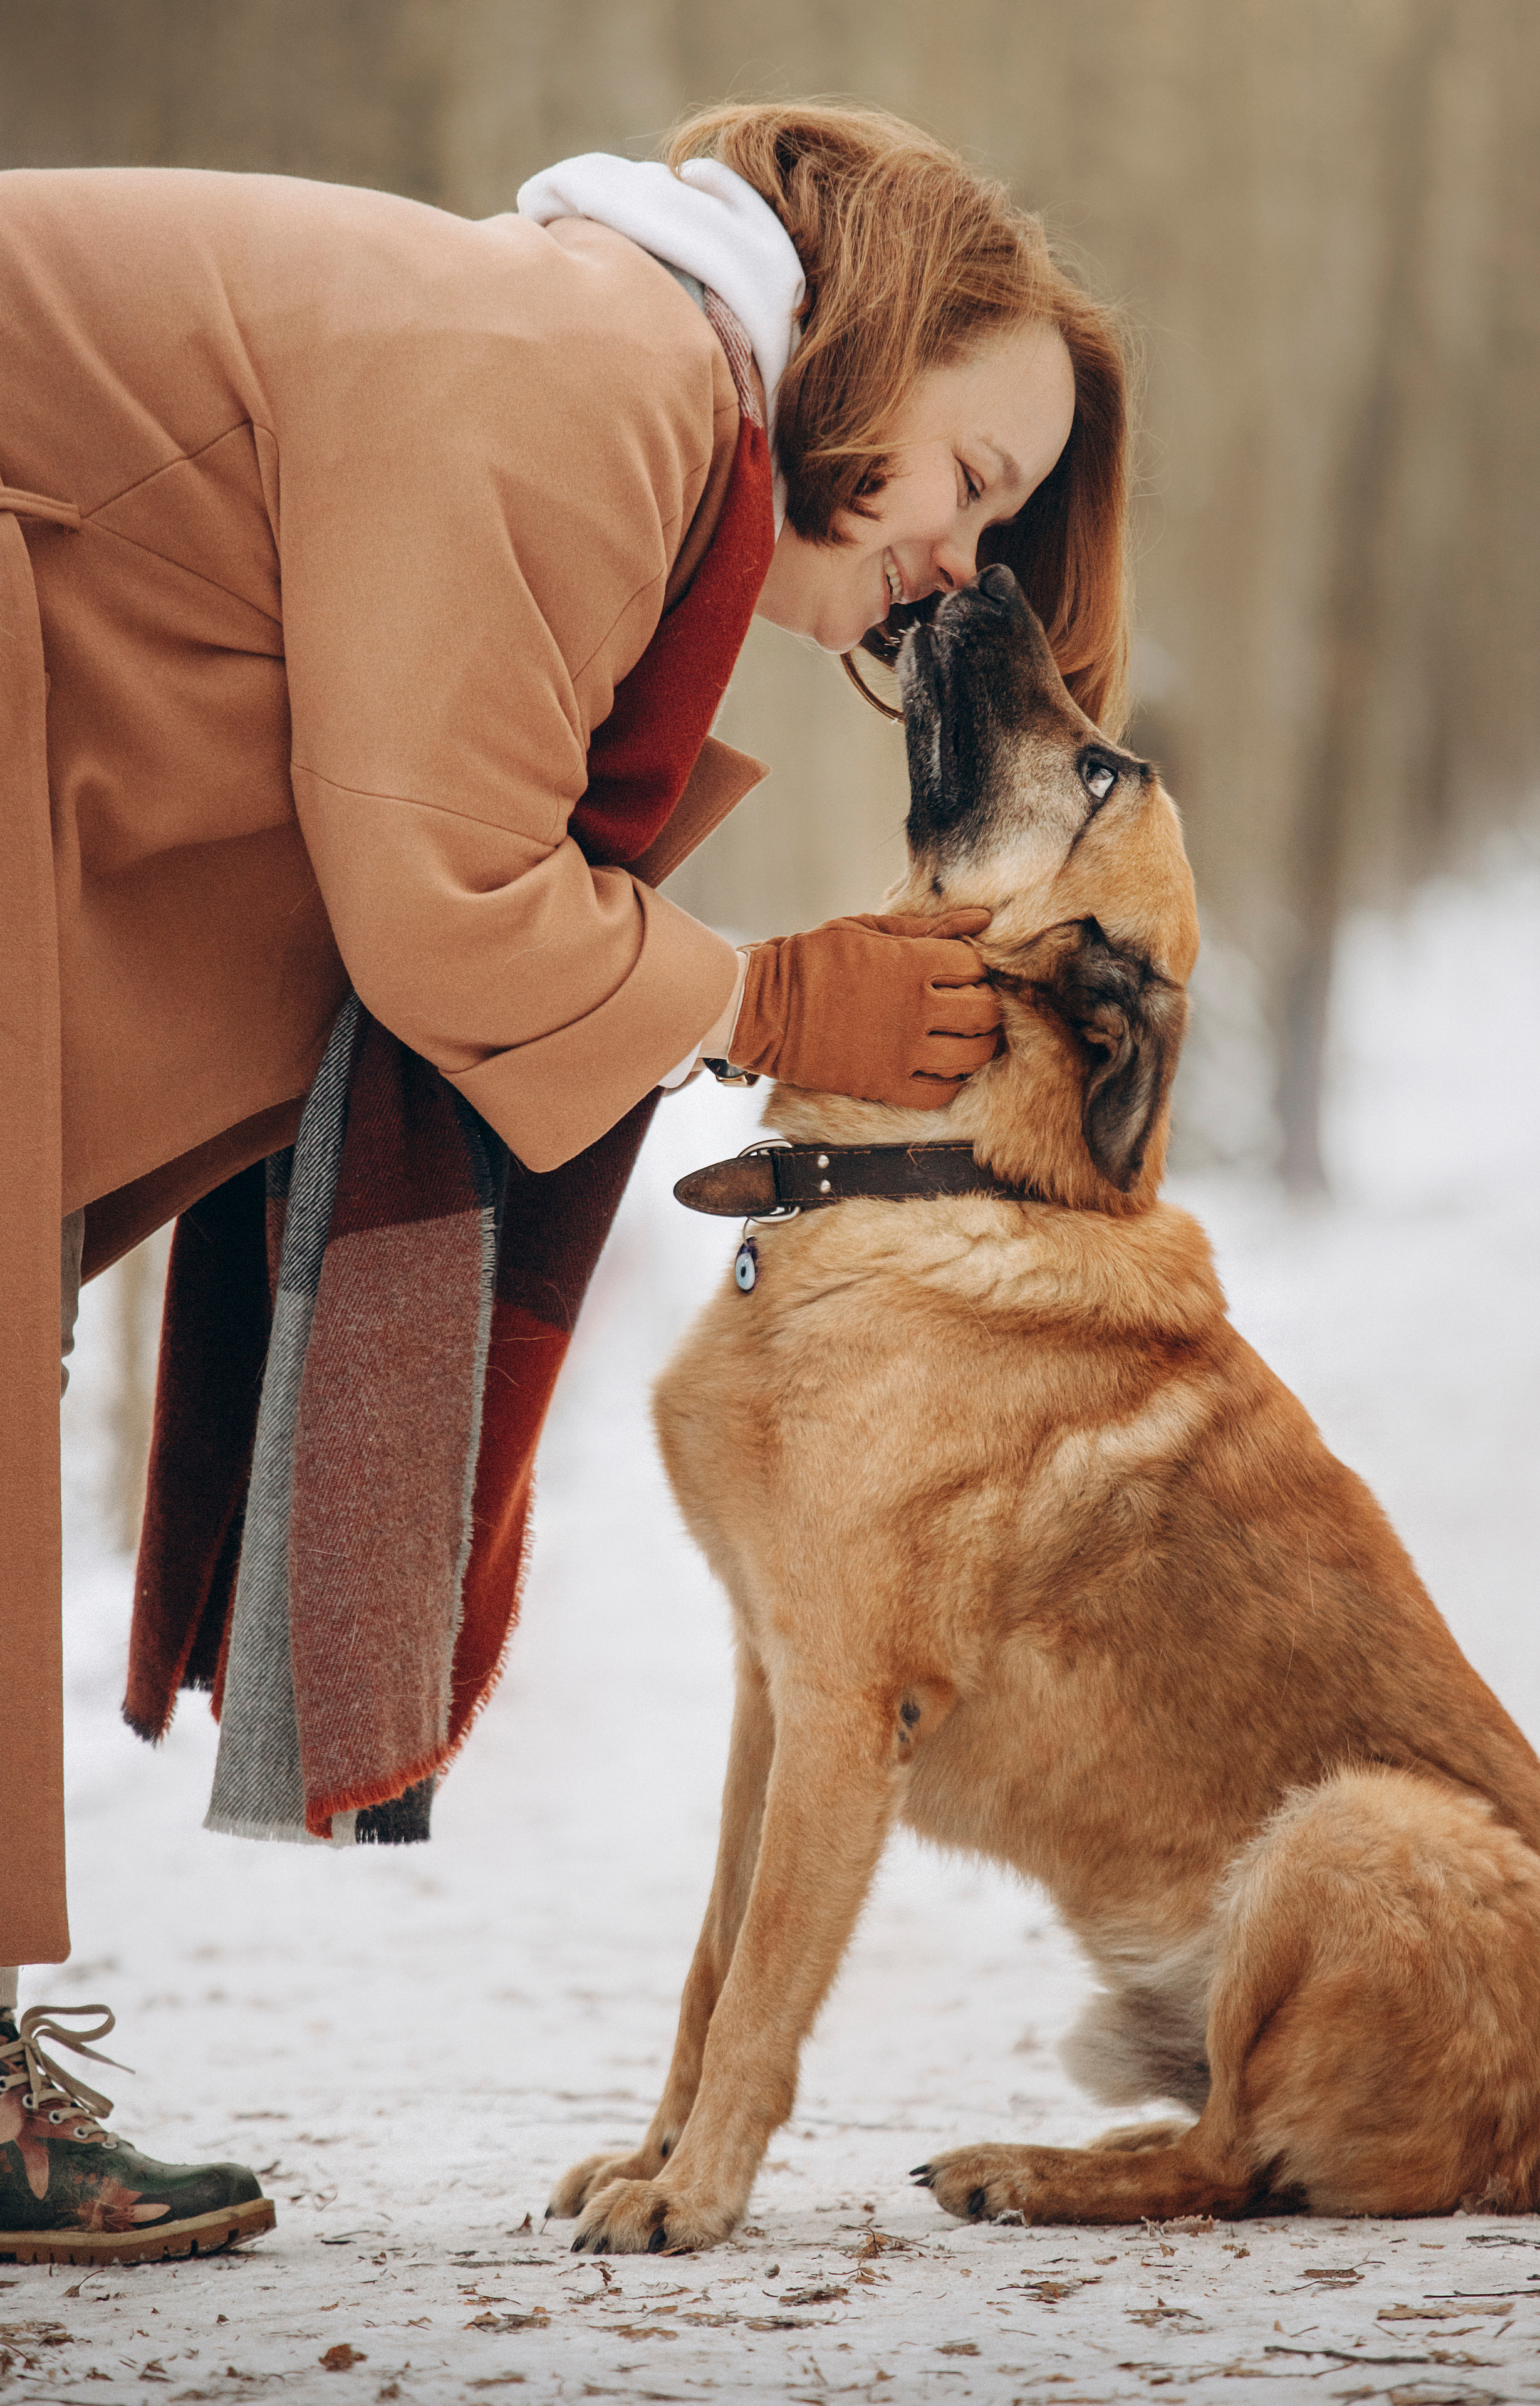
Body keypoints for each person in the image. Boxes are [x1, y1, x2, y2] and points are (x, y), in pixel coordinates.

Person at [0, 101, 1131, 2259]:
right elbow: (443, 904)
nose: (961, 564)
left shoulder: (598, 364)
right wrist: (774, 1001)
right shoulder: (594, 379)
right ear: (870, 335)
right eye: (975, 480)